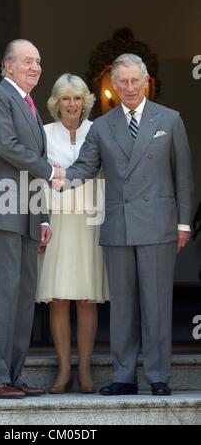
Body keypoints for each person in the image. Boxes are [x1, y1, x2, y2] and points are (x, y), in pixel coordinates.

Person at [54, 53, 193, 396]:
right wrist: (59, 177)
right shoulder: (103, 126)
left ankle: (159, 376)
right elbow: (85, 167)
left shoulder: (170, 120)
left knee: (157, 303)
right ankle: (124, 376)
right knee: (122, 307)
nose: (130, 87)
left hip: (159, 225)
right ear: (113, 86)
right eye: (123, 82)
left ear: (146, 82)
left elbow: (184, 176)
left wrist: (184, 223)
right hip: (118, 226)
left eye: (135, 81)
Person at [0, 39, 63, 399]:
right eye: (26, 62)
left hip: (25, 215)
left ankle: (11, 376)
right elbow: (6, 145)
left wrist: (43, 218)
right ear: (7, 66)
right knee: (1, 296)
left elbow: (30, 166)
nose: (35, 67)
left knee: (23, 299)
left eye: (38, 61)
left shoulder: (30, 106)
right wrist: (51, 170)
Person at [36, 74, 109, 394]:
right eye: (65, 98)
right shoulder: (43, 133)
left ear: (85, 101)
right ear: (56, 103)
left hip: (91, 221)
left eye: (77, 98)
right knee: (59, 299)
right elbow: (35, 178)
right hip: (57, 222)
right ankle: (64, 369)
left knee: (87, 299)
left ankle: (85, 370)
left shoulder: (99, 130)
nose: (72, 104)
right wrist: (40, 220)